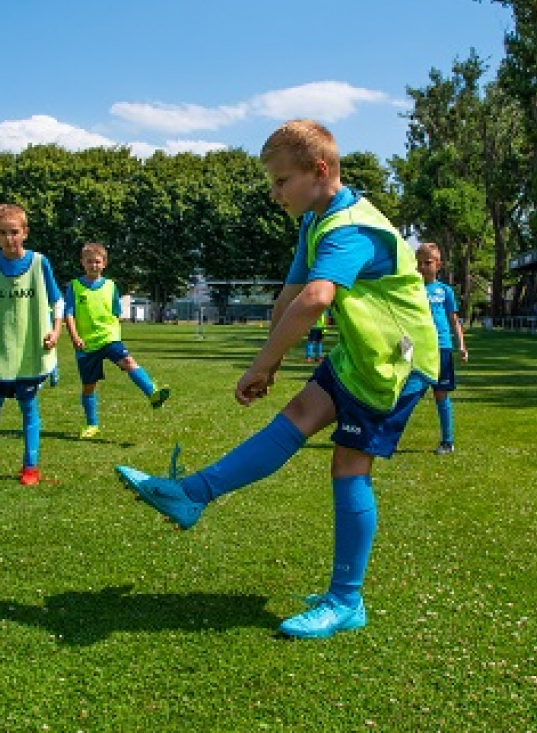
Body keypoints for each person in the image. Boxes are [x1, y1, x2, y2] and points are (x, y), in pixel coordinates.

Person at [116, 119, 439, 639]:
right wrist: (268, 360)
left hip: (397, 364)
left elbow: (316, 298)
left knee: (348, 467)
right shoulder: (314, 222)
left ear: (318, 171)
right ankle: (190, 494)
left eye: (280, 181)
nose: (273, 194)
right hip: (362, 354)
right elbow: (290, 294)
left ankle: (345, 601)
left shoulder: (350, 229)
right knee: (296, 418)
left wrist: (264, 364)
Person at [0, 203, 63, 486]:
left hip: (30, 351)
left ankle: (30, 467)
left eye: (14, 232)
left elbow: (57, 301)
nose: (9, 238)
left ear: (25, 232)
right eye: (2, 233)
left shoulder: (39, 263)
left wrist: (56, 331)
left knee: (29, 409)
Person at [64, 242, 170, 440]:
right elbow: (68, 314)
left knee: (129, 361)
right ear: (82, 263)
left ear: (104, 263)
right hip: (87, 344)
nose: (93, 265)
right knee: (89, 386)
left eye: (97, 262)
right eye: (89, 262)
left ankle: (152, 393)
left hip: (110, 338)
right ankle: (92, 424)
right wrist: (75, 336)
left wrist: (113, 328)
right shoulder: (74, 286)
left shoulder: (111, 286)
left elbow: (116, 312)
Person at [415, 243, 468, 454]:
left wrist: (461, 345)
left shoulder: (445, 291)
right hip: (419, 348)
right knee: (408, 394)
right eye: (419, 263)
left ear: (439, 265)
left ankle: (448, 441)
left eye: (427, 263)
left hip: (441, 347)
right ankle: (385, 437)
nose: (422, 267)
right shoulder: (412, 289)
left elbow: (454, 321)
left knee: (441, 394)